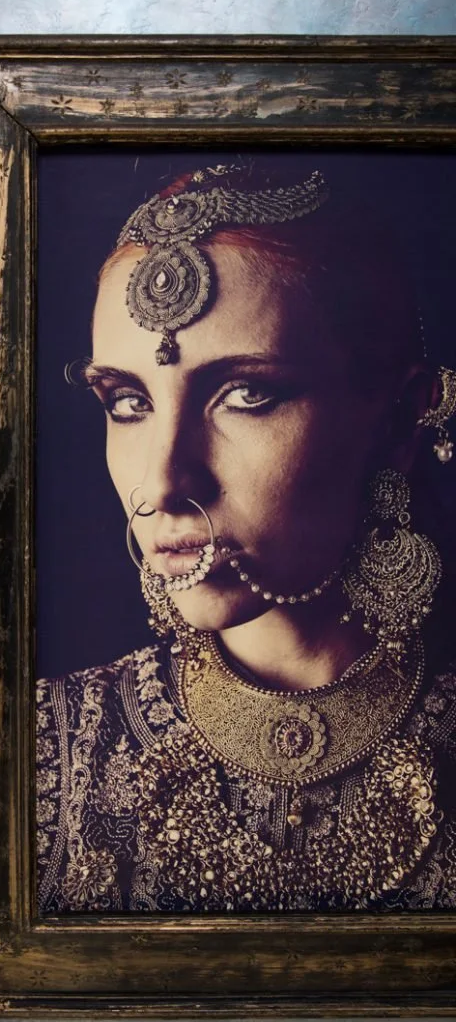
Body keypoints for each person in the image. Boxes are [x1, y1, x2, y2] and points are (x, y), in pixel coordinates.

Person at [36, 156, 456, 913]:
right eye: (128, 402)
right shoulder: (38, 744)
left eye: (246, 394)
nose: (162, 483)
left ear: (397, 420)